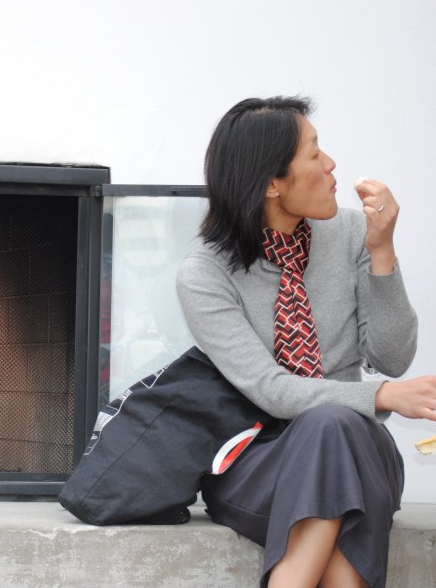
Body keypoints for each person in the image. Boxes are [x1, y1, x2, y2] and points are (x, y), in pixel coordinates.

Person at [175, 96, 436, 588]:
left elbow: (392, 357)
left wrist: (382, 251)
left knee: (334, 427)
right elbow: (271, 389)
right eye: (314, 154)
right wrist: (381, 397)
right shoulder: (205, 274)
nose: (331, 164)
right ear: (272, 184)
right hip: (257, 464)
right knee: (332, 433)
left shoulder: (353, 233)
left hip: (356, 449)